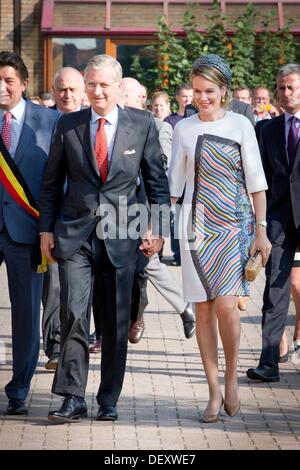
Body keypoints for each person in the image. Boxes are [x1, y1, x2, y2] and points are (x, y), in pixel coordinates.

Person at [39, 54, 170, 422]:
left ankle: (108, 399)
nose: (97, 91)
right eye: (91, 84)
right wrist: (46, 230)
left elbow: (157, 183)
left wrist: (158, 230)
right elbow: (51, 184)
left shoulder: (142, 124)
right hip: (75, 235)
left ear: (117, 86)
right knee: (73, 315)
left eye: (104, 85)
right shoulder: (68, 125)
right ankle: (72, 396)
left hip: (122, 235)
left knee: (113, 322)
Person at [168, 54, 270, 423]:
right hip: (196, 229)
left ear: (223, 90)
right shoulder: (183, 129)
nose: (201, 97)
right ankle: (212, 390)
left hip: (235, 227)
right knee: (204, 309)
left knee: (227, 305)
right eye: (196, 91)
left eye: (208, 90)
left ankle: (231, 380)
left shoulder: (242, 124)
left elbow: (257, 183)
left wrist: (261, 230)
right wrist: (157, 229)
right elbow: (173, 188)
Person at [0, 51, 58, 415]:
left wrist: (50, 229)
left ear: (23, 83)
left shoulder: (50, 122)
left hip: (28, 231)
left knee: (24, 314)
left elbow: (57, 181)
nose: (2, 86)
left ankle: (19, 387)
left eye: (8, 79)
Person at [120, 77, 195, 343]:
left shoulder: (157, 126)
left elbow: (160, 170)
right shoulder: (111, 122)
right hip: (115, 210)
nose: (118, 96)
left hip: (143, 209)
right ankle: (180, 309)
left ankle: (137, 318)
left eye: (123, 92)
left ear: (136, 97)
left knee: (146, 264)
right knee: (141, 267)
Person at [247, 63, 300, 382]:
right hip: (278, 221)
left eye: (292, 86)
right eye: (281, 87)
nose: (285, 93)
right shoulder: (266, 130)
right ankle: (269, 363)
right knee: (274, 292)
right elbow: (259, 181)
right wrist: (259, 225)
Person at [42, 67, 87, 371]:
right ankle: (56, 348)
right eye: (62, 89)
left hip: (92, 220)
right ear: (54, 91)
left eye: (73, 89)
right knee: (55, 287)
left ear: (83, 90)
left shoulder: (94, 120)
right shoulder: (43, 123)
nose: (67, 95)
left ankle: (83, 337)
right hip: (55, 218)